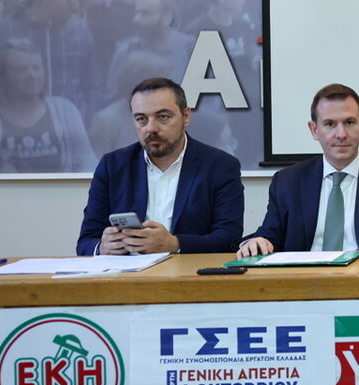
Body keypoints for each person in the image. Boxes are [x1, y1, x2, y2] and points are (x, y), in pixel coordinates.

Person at [239, 84, 359, 257]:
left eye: (349, 122)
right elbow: (270, 236)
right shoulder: (287, 182)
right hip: (303, 277)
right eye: (330, 124)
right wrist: (258, 242)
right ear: (314, 130)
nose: (341, 134)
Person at [77, 77, 244, 255]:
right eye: (141, 119)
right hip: (126, 271)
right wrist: (102, 247)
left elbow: (229, 239)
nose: (151, 128)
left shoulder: (220, 167)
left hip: (187, 270)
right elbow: (86, 241)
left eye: (163, 117)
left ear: (186, 117)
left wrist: (175, 244)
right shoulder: (112, 166)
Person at [0, 38, 96, 173]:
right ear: (2, 77)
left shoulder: (66, 111)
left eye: (36, 68)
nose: (31, 75)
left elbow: (87, 162)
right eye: (20, 70)